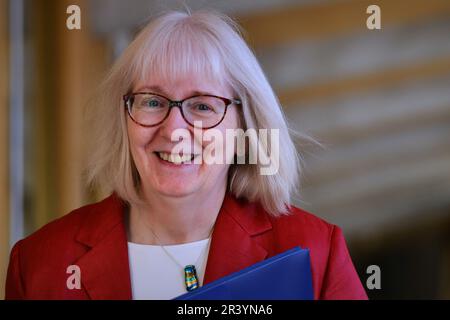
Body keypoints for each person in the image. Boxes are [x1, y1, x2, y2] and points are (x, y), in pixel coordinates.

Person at [5, 10, 367, 300]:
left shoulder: (314, 254)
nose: (175, 129)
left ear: (244, 127)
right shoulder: (42, 264)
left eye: (203, 106)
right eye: (152, 102)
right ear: (123, 119)